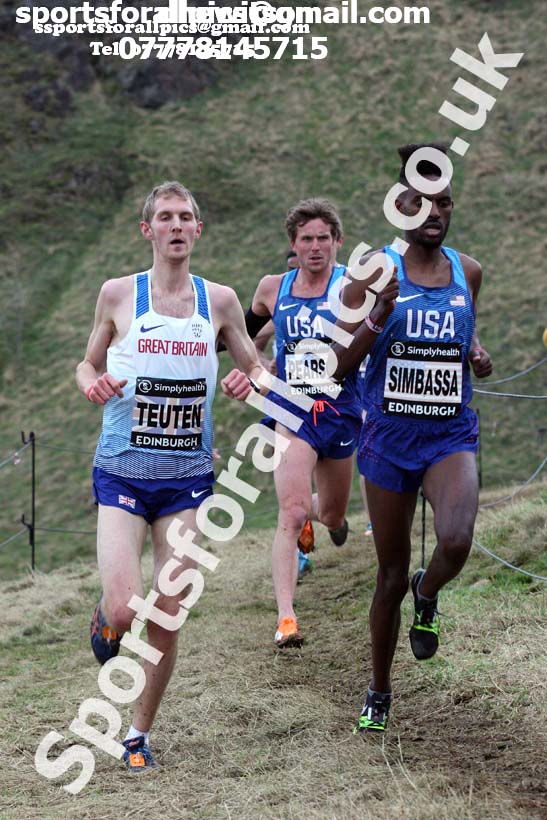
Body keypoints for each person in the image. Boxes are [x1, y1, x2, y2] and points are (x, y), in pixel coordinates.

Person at [76, 181, 264, 770]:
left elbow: (258, 369)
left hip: (187, 478)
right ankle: (107, 616)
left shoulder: (222, 302)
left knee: (168, 610)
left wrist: (247, 380)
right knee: (130, 610)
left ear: (198, 231)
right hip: (122, 473)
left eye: (186, 217)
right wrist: (92, 383)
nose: (176, 225)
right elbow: (88, 361)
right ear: (148, 230)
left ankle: (137, 733)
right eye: (166, 217)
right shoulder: (117, 295)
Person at [332, 144, 492, 732]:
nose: (435, 212)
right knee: (390, 575)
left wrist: (475, 352)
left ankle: (431, 592)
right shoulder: (373, 270)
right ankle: (378, 688)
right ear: (401, 204)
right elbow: (337, 367)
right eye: (422, 201)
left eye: (444, 202)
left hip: (449, 432)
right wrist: (377, 317)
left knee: (455, 541)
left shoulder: (467, 271)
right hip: (388, 438)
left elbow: (463, 334)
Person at [222, 199, 362, 648]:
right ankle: (286, 620)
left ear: (337, 242)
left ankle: (323, 521)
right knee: (291, 510)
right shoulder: (272, 288)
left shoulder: (352, 285)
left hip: (342, 409)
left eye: (324, 238)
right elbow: (240, 336)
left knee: (332, 511)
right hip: (291, 409)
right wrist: (252, 371)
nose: (316, 247)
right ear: (293, 244)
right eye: (307, 239)